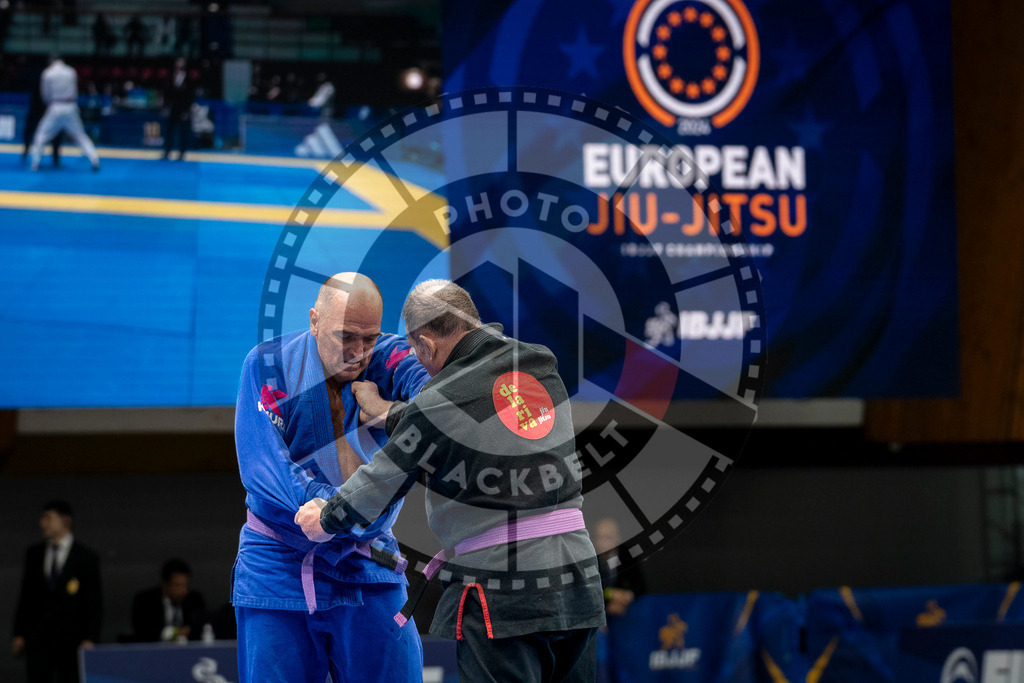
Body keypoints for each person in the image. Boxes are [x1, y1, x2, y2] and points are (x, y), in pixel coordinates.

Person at [296, 279, 606, 682]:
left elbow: (382, 479)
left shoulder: (438, 400)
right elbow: (473, 421)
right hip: (576, 578)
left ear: (425, 344)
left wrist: (326, 517)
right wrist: (389, 411)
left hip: (503, 591)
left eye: (417, 356)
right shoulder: (536, 364)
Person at [232, 272, 430, 683]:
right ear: (314, 321)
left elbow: (440, 406)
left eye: (369, 338)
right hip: (278, 564)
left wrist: (389, 411)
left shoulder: (393, 358)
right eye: (345, 337)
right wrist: (336, 506)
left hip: (367, 561)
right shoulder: (269, 364)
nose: (358, 352)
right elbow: (263, 466)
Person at [12, 500, 102, 683]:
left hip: (71, 638)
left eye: (48, 518)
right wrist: (19, 632)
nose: (42, 523)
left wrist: (90, 637)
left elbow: (94, 600)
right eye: (42, 518)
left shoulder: (85, 557)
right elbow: (26, 595)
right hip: (38, 637)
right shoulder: (34, 553)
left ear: (66, 520)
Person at [28, 56, 100, 172]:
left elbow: (45, 94)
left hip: (55, 106)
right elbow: (75, 90)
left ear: (51, 62)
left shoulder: (48, 73)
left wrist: (50, 103)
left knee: (41, 135)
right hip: (71, 106)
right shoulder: (71, 71)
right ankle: (95, 159)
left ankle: (35, 163)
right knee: (80, 136)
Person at [131, 559, 207, 642]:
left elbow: (202, 627)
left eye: (186, 585)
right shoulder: (145, 601)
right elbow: (143, 631)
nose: (183, 591)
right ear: (165, 584)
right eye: (178, 585)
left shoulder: (194, 600)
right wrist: (174, 633)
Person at [22, 62, 63, 168]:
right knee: (31, 132)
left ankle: (55, 158)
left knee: (55, 134)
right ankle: (29, 153)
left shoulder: (54, 83)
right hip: (36, 112)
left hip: (50, 112)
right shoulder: (37, 82)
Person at [162, 57, 193, 161]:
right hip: (172, 109)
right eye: (177, 64)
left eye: (181, 65)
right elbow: (167, 93)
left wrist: (186, 110)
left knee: (183, 132)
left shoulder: (188, 79)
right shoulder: (171, 77)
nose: (179, 67)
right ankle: (167, 151)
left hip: (183, 110)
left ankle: (182, 153)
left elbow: (190, 96)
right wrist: (166, 106)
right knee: (169, 131)